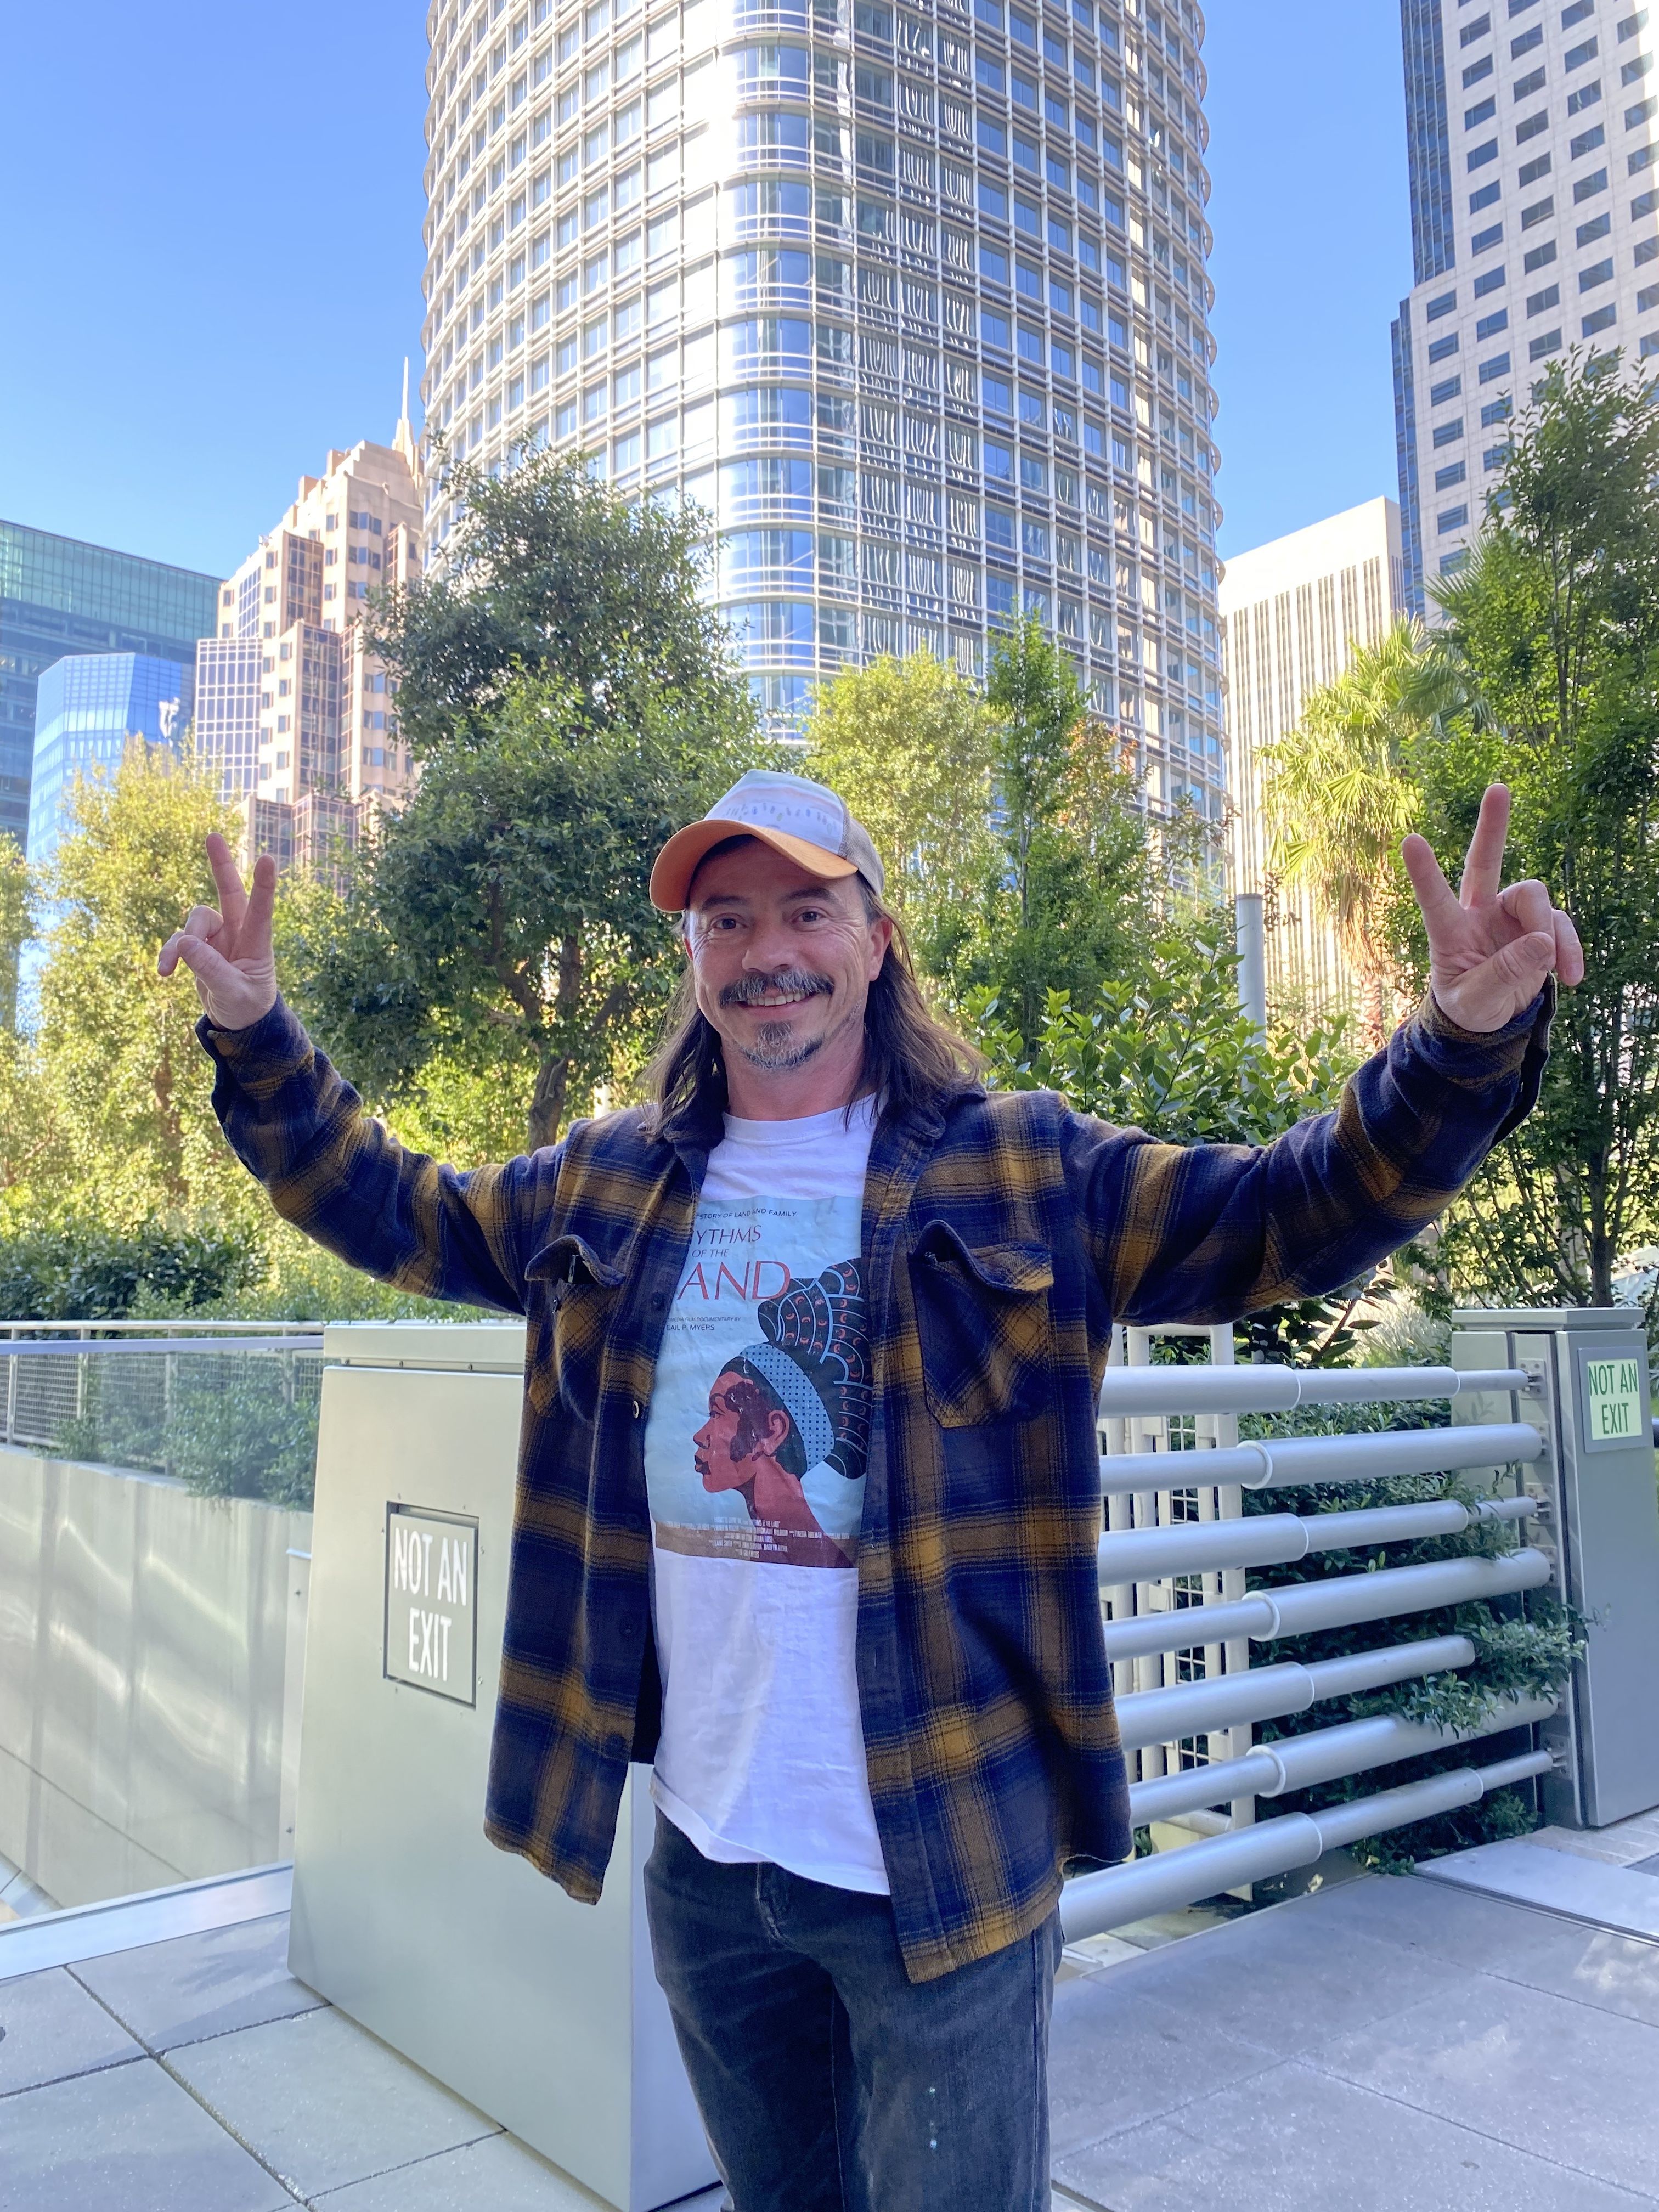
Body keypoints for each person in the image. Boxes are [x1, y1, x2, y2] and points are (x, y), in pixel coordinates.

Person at [160, 769, 1579, 2212]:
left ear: (877, 938)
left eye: (805, 909)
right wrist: (256, 1034)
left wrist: (1457, 1045)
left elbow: (1292, 1213)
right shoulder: (606, 1184)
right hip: (710, 1863)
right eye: (727, 918)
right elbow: (393, 1206)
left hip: (945, 1861)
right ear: (695, 957)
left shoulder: (1023, 1165)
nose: (767, 949)